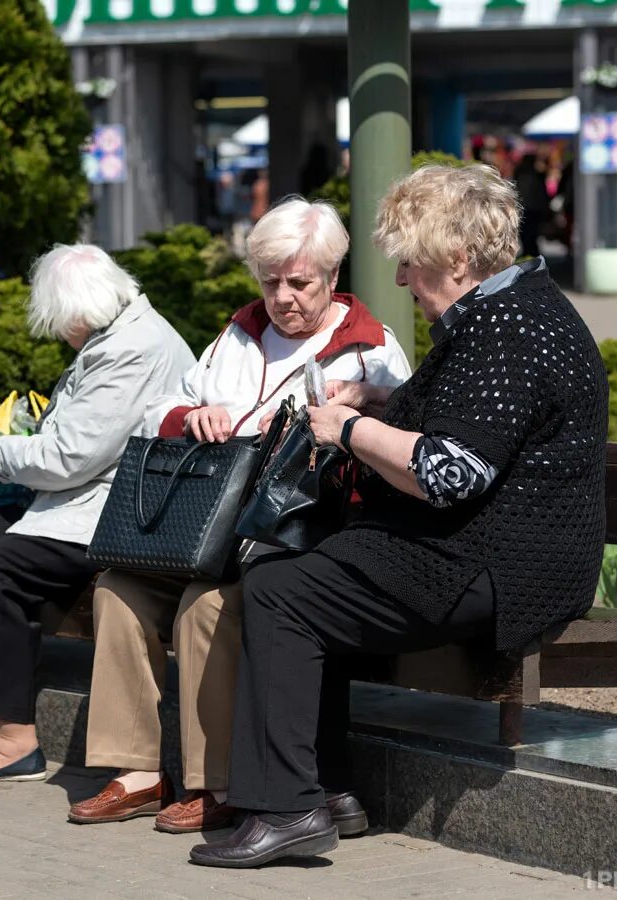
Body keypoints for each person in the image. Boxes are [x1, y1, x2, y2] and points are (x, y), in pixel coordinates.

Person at [189, 164, 608, 868]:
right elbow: (460, 428)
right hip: (486, 549)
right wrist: (379, 408)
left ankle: (289, 808)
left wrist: (345, 430)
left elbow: (450, 472)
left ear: (458, 258)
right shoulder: (504, 314)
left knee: (284, 592)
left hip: (504, 568)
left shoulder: (511, 329)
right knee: (304, 574)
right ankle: (325, 792)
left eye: (412, 263)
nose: (406, 280)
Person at [69, 197, 411, 833]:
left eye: (299, 282)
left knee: (207, 605)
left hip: (286, 538)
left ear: (333, 276)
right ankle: (138, 772)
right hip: (208, 528)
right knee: (118, 589)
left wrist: (369, 407)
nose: (282, 298)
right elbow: (164, 411)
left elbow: (403, 445)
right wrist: (189, 418)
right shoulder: (238, 333)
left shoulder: (370, 350)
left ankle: (216, 782)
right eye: (270, 281)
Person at [0, 244, 195, 782]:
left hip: (115, 515)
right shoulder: (115, 335)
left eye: (57, 320)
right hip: (83, 503)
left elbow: (71, 457)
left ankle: (15, 738)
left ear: (76, 309)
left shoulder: (132, 349)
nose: (56, 332)